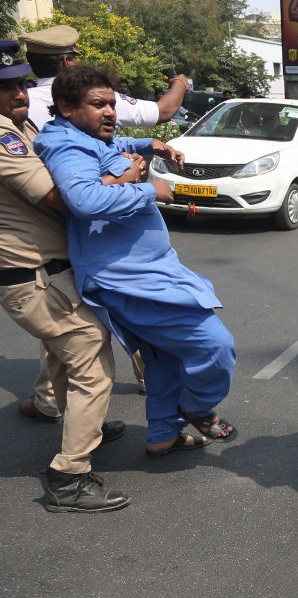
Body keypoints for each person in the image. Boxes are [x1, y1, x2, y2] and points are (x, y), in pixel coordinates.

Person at [34, 66, 238, 457]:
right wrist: (149, 189)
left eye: (111, 103)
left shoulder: (89, 135)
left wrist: (152, 144)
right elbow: (86, 201)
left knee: (163, 354)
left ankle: (163, 433)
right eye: (99, 105)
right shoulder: (67, 147)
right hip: (127, 279)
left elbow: (115, 145)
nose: (110, 112)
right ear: (66, 107)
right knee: (214, 346)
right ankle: (194, 406)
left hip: (146, 272)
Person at [0, 40, 129, 512]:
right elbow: (64, 198)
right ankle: (69, 478)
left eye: (20, 82)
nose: (17, 92)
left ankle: (80, 424)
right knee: (92, 361)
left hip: (43, 270)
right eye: (6, 86)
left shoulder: (22, 124)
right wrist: (127, 182)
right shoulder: (3, 137)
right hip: (31, 274)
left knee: (61, 356)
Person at [18, 25, 188, 130]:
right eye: (74, 57)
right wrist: (180, 82)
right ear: (67, 62)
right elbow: (164, 111)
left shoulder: (18, 102)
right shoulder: (92, 95)